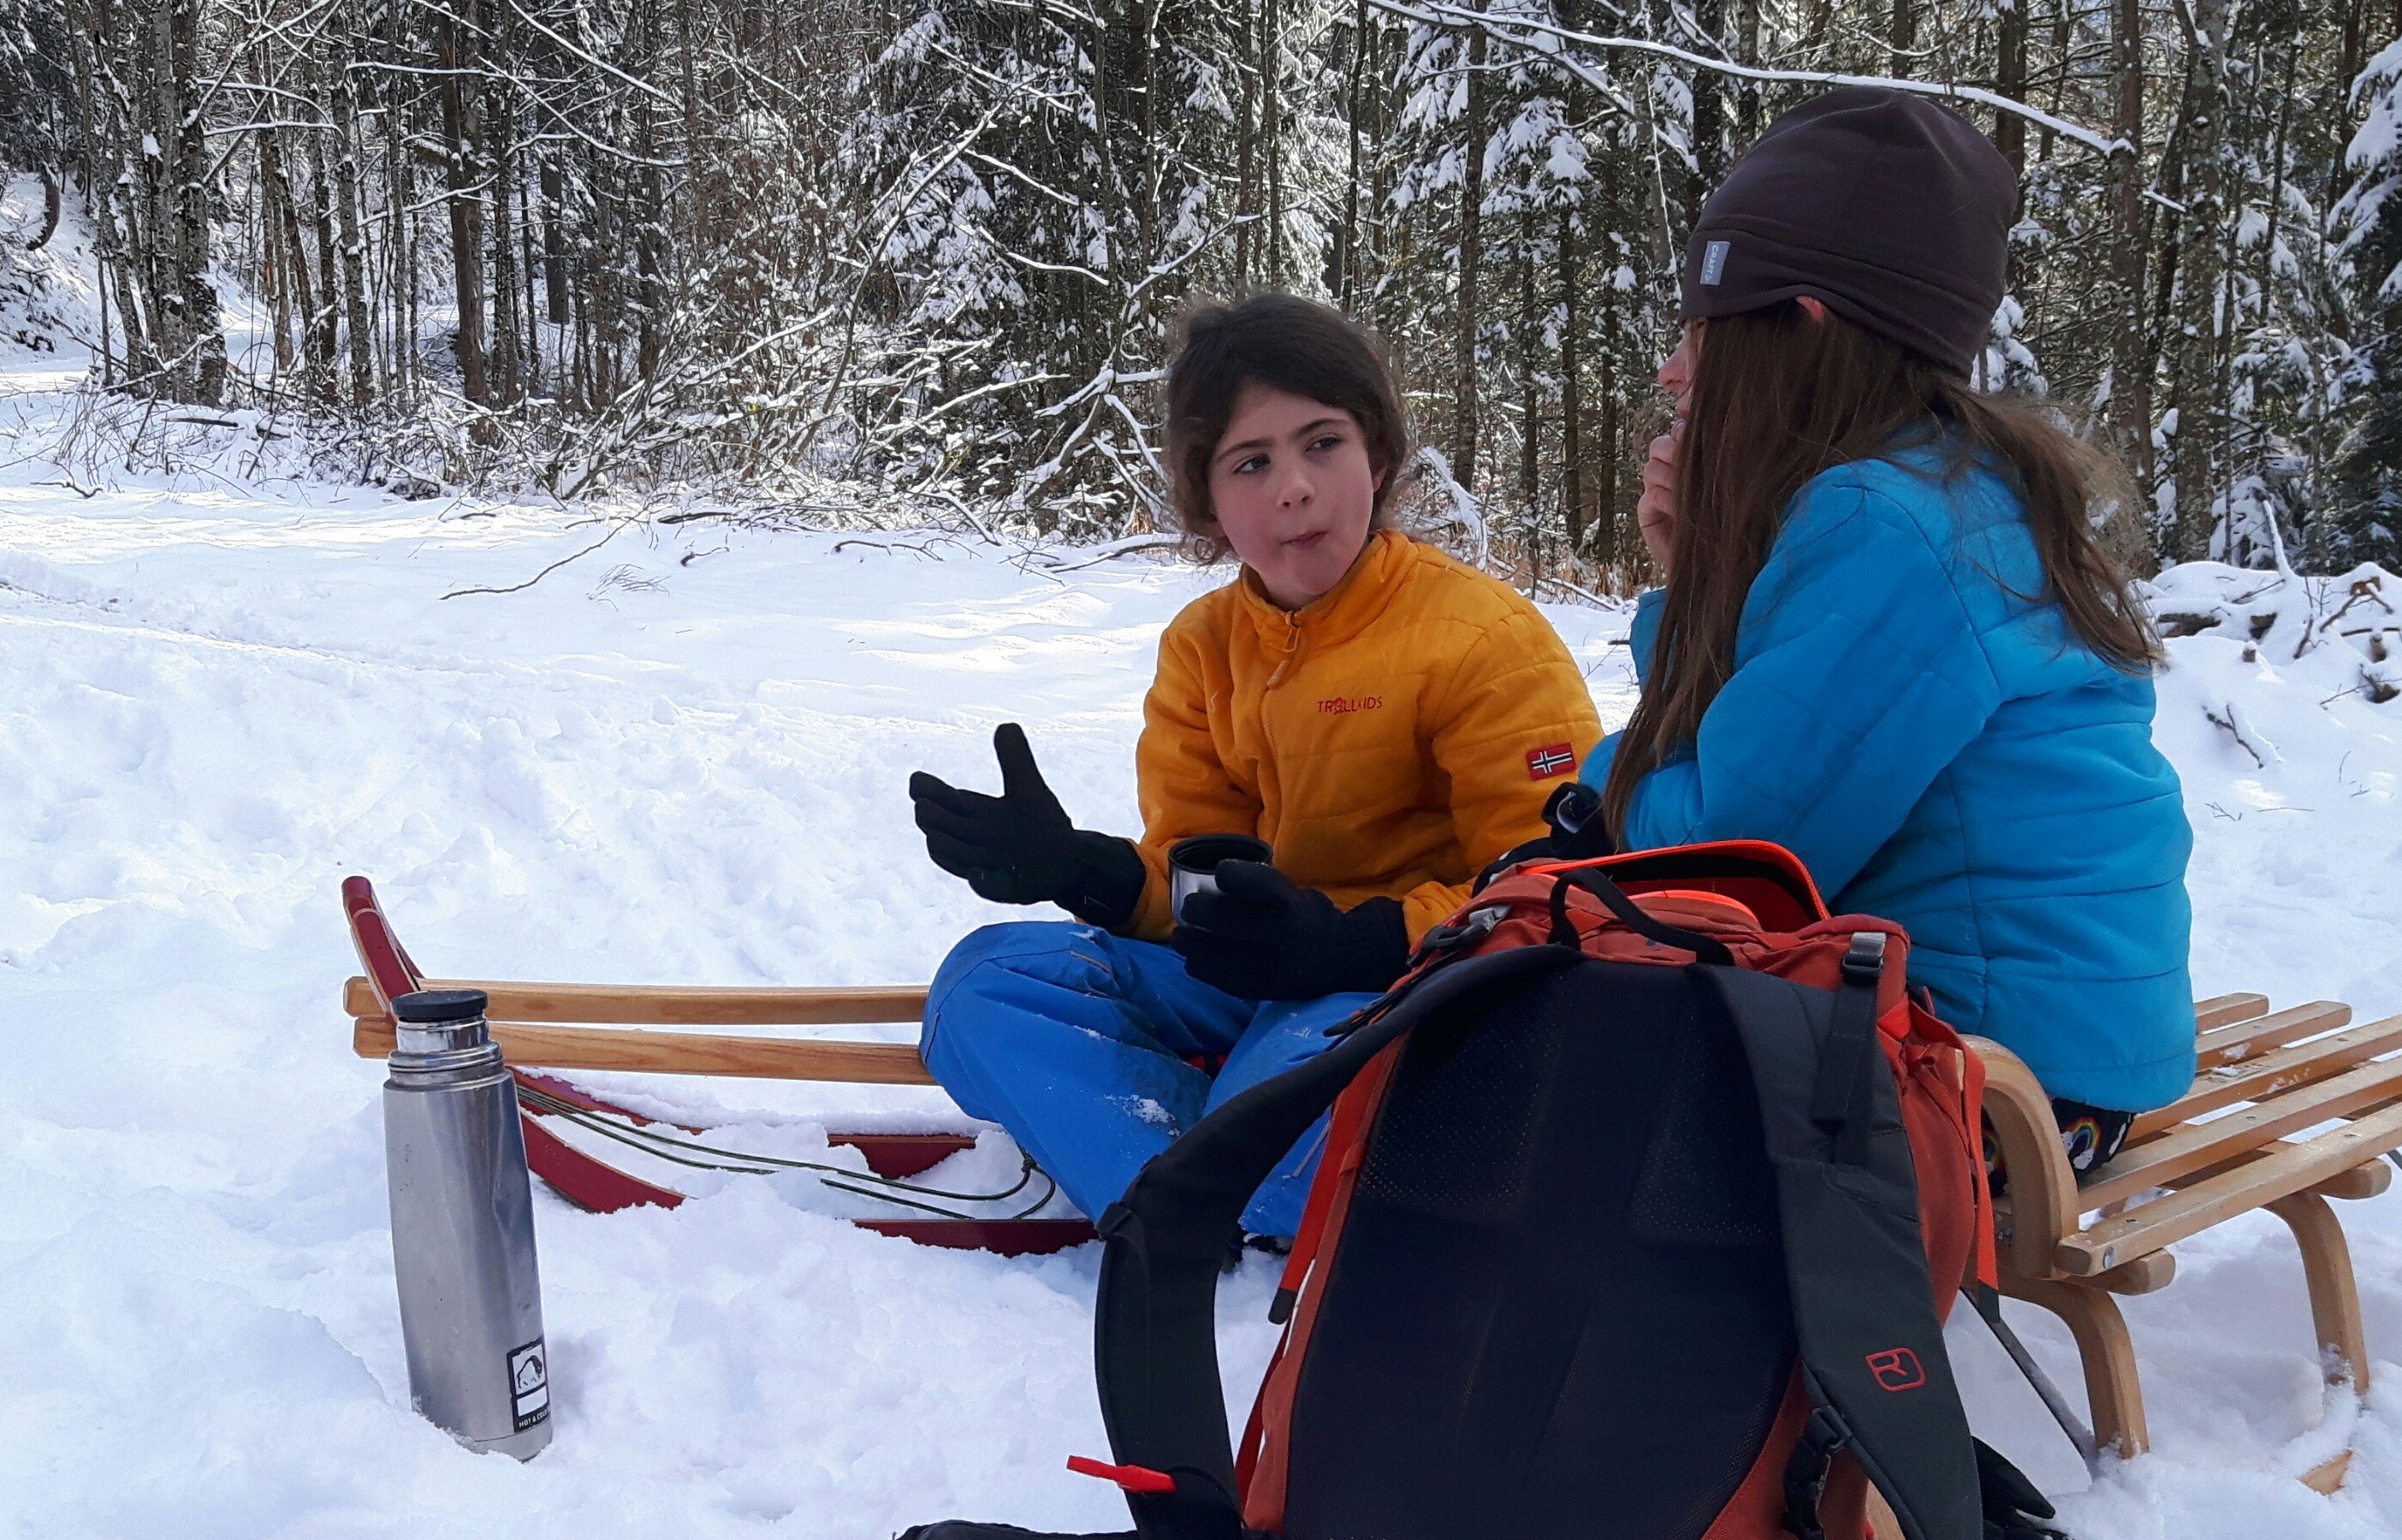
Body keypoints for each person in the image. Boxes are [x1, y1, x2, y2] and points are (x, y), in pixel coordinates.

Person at [1587, 88, 2193, 1162]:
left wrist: (1597, 781)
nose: (1671, 372)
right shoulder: (1958, 487)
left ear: (1799, 326)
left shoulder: (1886, 526)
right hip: (2070, 1056)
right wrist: (1696, 573)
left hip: (1986, 1080)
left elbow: (1724, 862)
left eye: (1697, 334)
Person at [910, 295, 1600, 1239]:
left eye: (1323, 444)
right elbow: (1195, 894)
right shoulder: (1204, 648)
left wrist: (1350, 943)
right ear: (1208, 500)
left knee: (1285, 1092)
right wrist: (1081, 870)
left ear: (1379, 455)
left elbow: (1551, 893)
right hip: (1254, 982)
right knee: (980, 986)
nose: (1294, 488)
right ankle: (1199, 1190)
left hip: (1401, 984)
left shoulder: (1480, 639)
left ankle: (1199, 1179)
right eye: (1252, 462)